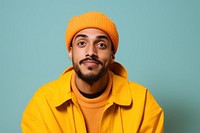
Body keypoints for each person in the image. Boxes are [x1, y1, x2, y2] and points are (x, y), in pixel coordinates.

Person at [21, 11, 164, 133]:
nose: (91, 52)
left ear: (112, 54)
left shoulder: (143, 102)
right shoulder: (42, 103)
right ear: (70, 52)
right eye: (82, 43)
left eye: (101, 45)